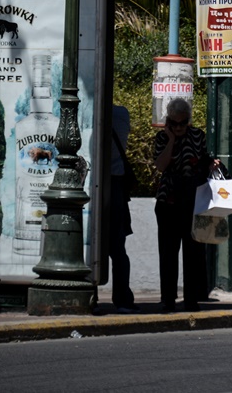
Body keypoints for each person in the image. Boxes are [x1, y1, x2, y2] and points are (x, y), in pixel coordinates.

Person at [153, 98, 219, 312]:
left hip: (193, 199)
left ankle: (191, 298)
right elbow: (161, 166)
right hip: (169, 200)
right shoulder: (162, 139)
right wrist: (171, 140)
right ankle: (168, 299)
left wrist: (210, 163)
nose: (179, 127)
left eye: (183, 123)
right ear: (169, 122)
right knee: (168, 252)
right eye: (175, 123)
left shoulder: (198, 136)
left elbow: (202, 160)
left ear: (188, 121)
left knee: (193, 252)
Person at [109, 104, 137, 313]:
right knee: (118, 248)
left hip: (102, 183)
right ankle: (123, 298)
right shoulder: (122, 113)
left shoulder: (95, 112)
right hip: (117, 185)